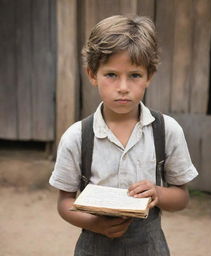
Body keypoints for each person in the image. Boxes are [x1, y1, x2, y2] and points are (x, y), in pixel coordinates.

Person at [49, 15, 198, 256]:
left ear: (149, 76)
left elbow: (181, 198)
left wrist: (158, 193)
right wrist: (95, 223)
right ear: (92, 74)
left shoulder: (166, 130)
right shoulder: (77, 137)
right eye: (111, 75)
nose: (123, 87)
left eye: (135, 75)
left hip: (150, 247)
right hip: (94, 245)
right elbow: (64, 203)